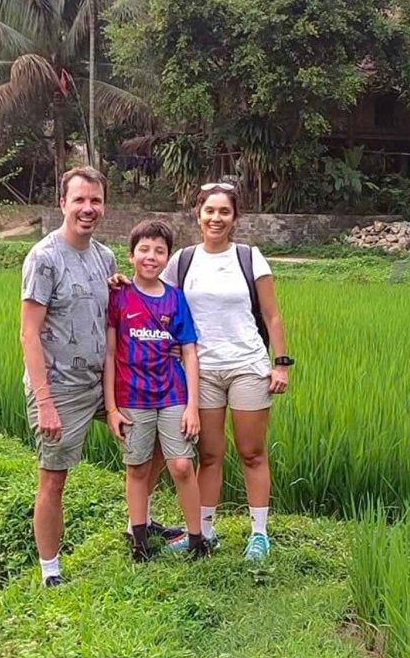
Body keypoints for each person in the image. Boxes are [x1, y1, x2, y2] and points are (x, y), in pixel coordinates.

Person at [162, 183, 292, 561]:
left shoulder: (250, 258)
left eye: (224, 212)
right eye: (210, 211)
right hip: (200, 370)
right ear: (198, 214)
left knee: (252, 452)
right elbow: (158, 302)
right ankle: (202, 531)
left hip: (248, 366)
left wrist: (280, 364)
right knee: (210, 454)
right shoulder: (182, 261)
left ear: (234, 218)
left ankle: (259, 534)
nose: (216, 218)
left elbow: (272, 314)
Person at [20, 166, 114, 587]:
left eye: (95, 201)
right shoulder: (44, 258)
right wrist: (45, 402)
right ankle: (50, 570)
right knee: (54, 478)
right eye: (79, 200)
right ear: (63, 203)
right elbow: (28, 332)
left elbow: (110, 312)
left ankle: (139, 524)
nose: (87, 208)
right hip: (60, 387)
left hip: (104, 379)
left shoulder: (105, 256)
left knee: (156, 432)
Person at [103, 220, 210, 562]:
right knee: (137, 467)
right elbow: (108, 353)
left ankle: (197, 539)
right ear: (131, 255)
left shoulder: (175, 299)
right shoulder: (118, 295)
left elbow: (190, 351)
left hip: (172, 394)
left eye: (159, 251)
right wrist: (110, 408)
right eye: (144, 250)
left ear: (168, 258)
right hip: (132, 396)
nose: (151, 257)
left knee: (180, 464)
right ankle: (139, 541)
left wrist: (193, 406)